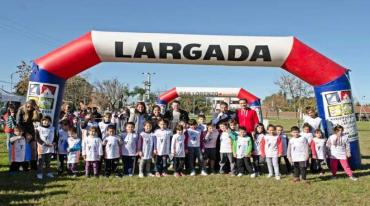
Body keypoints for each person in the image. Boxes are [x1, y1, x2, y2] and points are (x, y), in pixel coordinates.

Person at [16, 100, 42, 171]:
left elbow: (40, 120)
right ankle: (24, 166)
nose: (29, 108)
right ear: (26, 104)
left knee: (33, 149)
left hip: (31, 131)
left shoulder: (34, 110)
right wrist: (25, 133)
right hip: (23, 131)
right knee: (24, 150)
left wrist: (38, 111)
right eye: (28, 106)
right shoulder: (21, 110)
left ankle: (33, 166)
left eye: (31, 107)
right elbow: (18, 123)